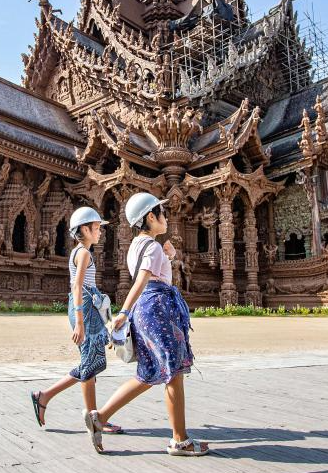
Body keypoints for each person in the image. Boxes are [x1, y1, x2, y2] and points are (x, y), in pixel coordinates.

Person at [82, 192, 209, 456]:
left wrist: (169, 256)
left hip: (146, 309)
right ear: (150, 217)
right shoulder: (151, 246)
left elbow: (150, 271)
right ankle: (180, 440)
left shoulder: (138, 246)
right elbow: (143, 279)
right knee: (173, 370)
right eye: (162, 213)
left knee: (149, 372)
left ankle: (100, 416)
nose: (166, 217)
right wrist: (123, 312)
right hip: (157, 308)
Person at [29, 207, 124, 435]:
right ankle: (91, 416)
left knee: (90, 362)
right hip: (84, 309)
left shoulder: (80, 252)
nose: (100, 231)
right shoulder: (83, 253)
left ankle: (57, 401)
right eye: (97, 227)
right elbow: (77, 286)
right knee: (91, 363)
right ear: (84, 229)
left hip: (85, 307)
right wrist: (80, 322)